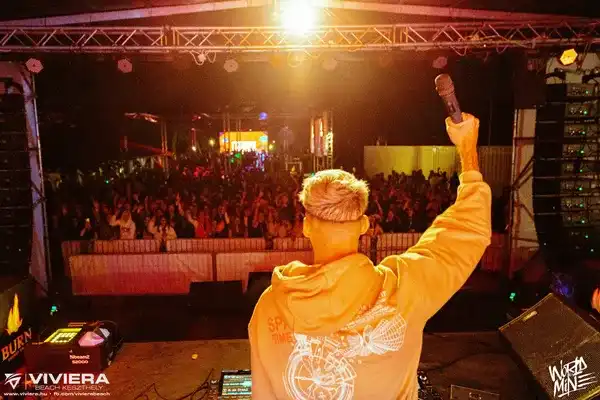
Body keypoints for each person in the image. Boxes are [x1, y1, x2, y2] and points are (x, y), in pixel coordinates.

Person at [248, 113, 491, 399]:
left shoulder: (268, 309)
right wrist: (467, 149)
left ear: (306, 226)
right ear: (364, 225)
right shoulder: (403, 291)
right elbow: (468, 230)